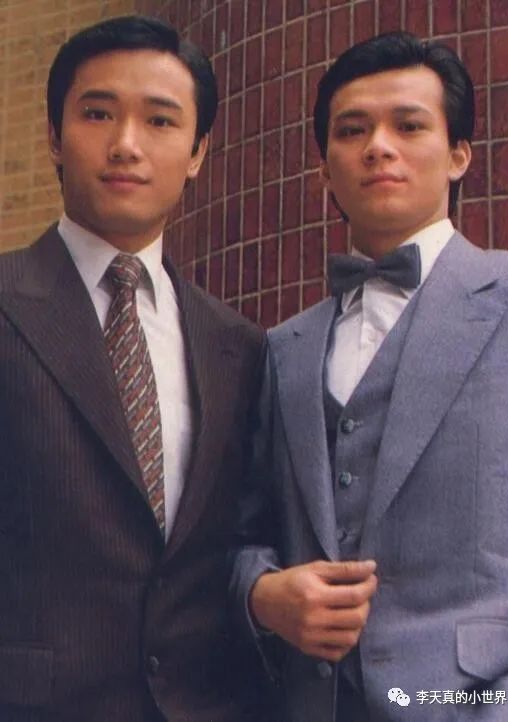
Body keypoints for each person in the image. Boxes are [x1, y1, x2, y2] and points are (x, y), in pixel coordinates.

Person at [231, 31, 508, 722]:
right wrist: (262, 594)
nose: (378, 147)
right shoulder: (281, 347)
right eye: (352, 130)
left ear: (459, 155)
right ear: (324, 172)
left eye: (409, 125)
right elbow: (240, 530)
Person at [0, 15, 266, 722]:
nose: (126, 144)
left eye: (160, 120)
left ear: (198, 152)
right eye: (97, 114)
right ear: (54, 136)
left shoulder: (238, 346)